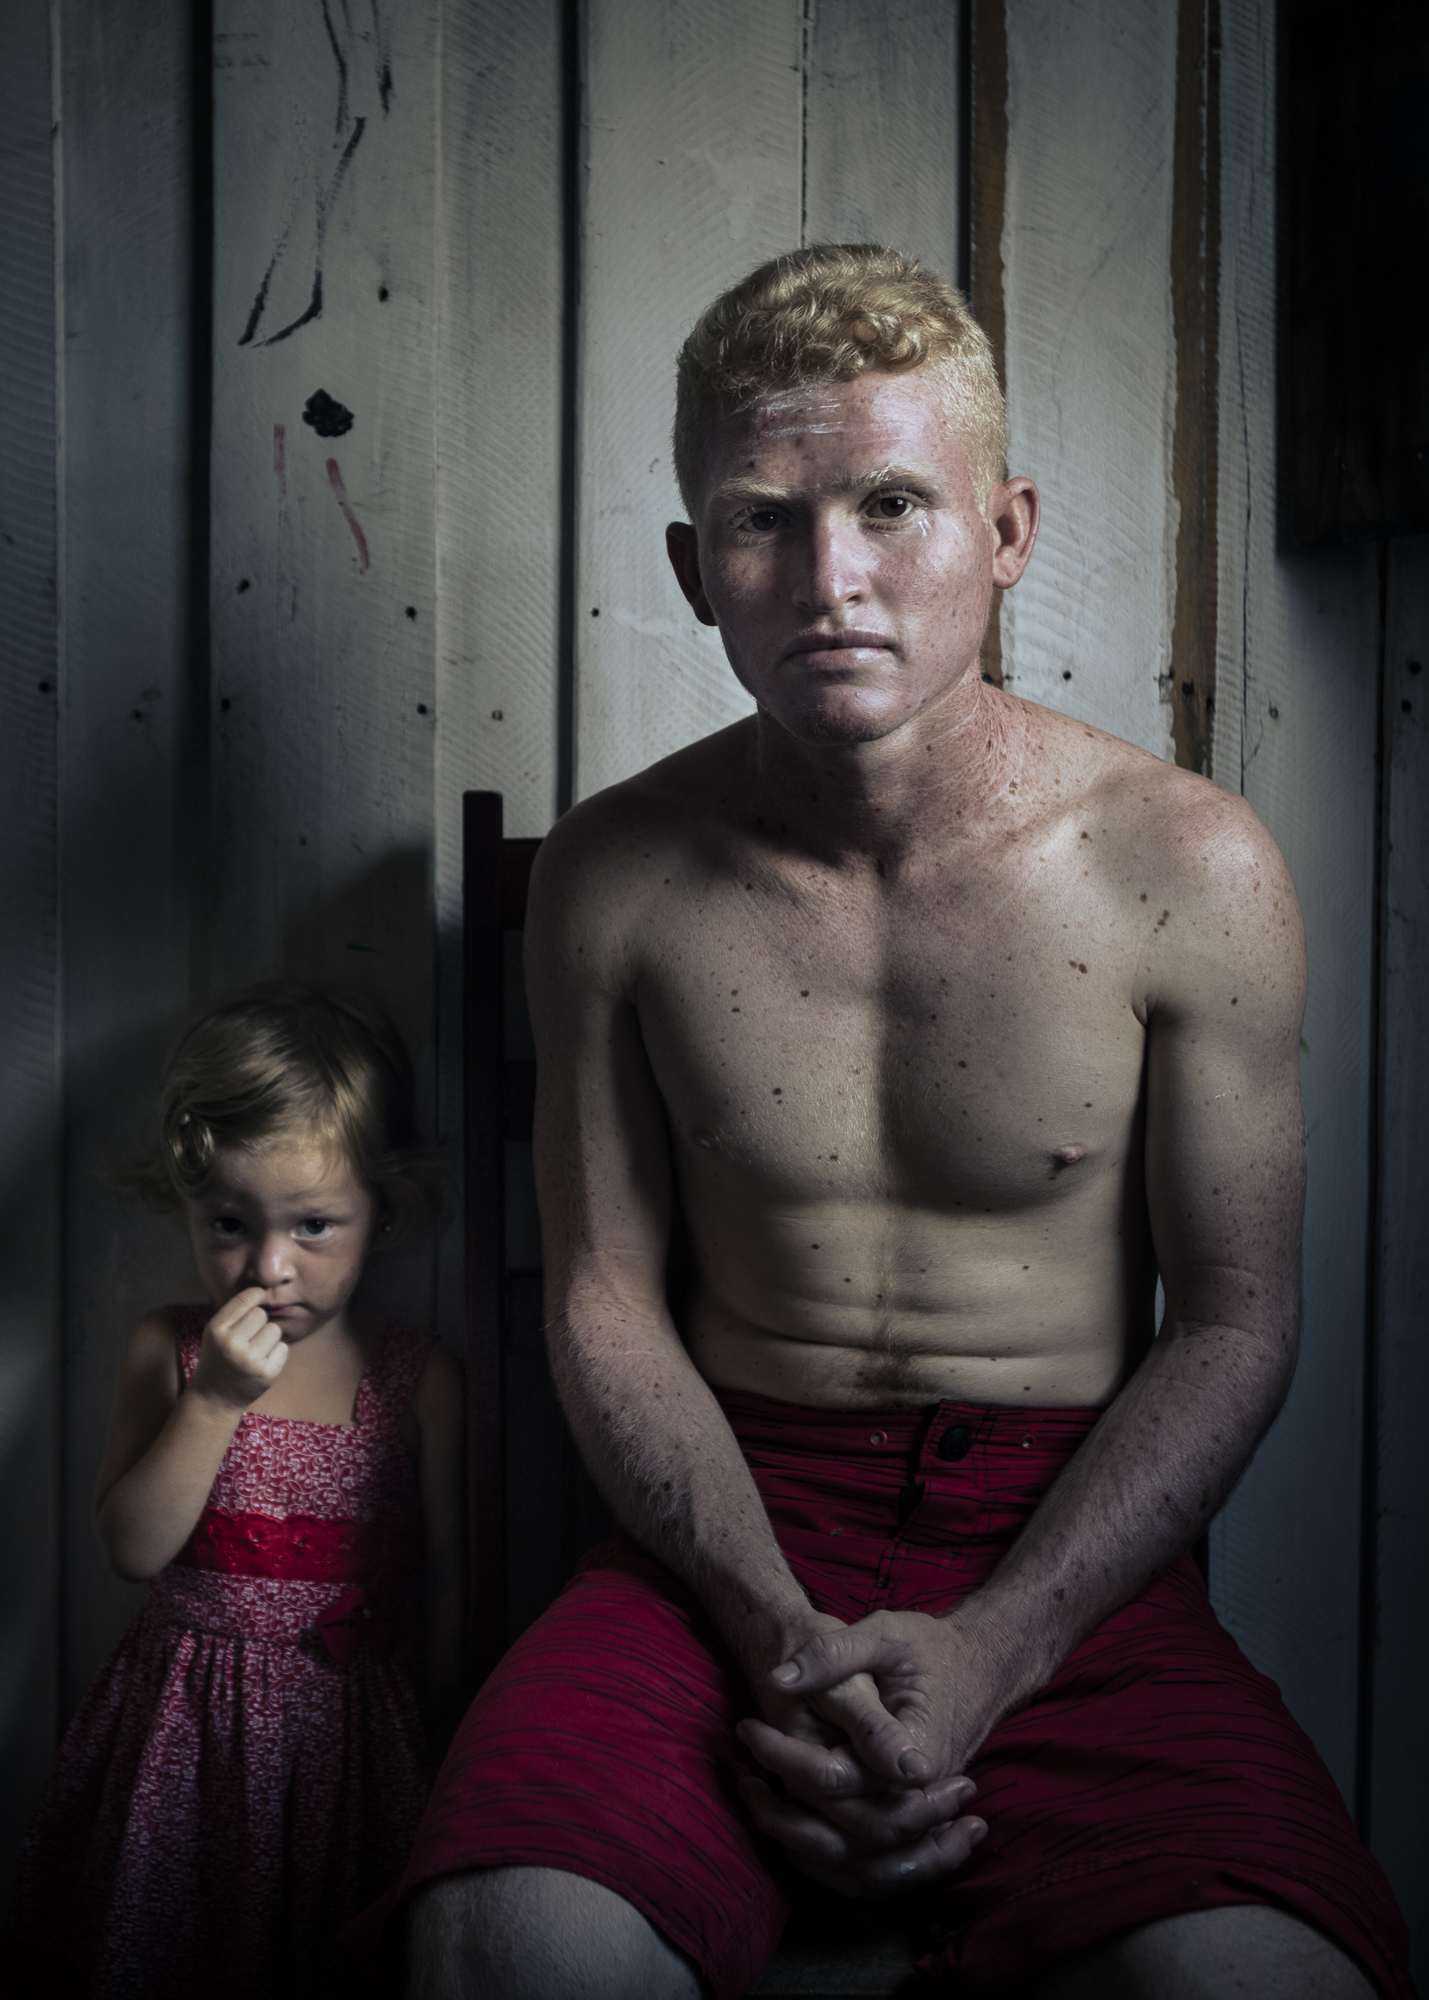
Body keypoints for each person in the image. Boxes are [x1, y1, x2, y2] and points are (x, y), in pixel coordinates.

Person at [398, 246, 1413, 1998]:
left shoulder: (1186, 865)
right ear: (686, 567)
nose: (826, 579)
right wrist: (770, 1635)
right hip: (717, 1533)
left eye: (888, 505)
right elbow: (603, 1298)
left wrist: (1000, 1646)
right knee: (505, 1949)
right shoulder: (617, 874)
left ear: (1004, 533)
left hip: (1063, 1556)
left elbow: (1236, 1320)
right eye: (758, 520)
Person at [9, 984, 465, 2000]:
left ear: (380, 1212)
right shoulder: (168, 1349)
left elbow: (451, 1579)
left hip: (348, 1738)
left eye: (313, 1224)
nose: (267, 1265)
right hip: (184, 1728)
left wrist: (440, 1723)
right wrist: (213, 1399)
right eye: (227, 1221)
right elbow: (129, 1546)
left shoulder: (415, 1377)